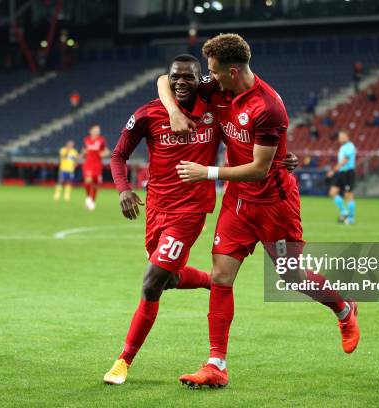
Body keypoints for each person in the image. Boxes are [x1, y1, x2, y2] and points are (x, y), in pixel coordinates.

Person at [158, 33, 360, 388]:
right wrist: (174, 111)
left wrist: (207, 173)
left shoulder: (268, 107)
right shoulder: (218, 88)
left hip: (274, 204)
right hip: (238, 202)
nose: (210, 78)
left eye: (215, 72)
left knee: (291, 278)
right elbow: (164, 81)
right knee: (221, 276)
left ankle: (344, 309)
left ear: (233, 71)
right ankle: (216, 365)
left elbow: (259, 169)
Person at [103, 54, 300, 386]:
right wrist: (123, 189)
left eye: (190, 78)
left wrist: (281, 158)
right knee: (166, 278)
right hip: (156, 209)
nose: (181, 82)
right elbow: (118, 153)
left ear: (202, 82)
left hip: (190, 212)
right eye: (175, 77)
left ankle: (123, 360)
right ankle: (214, 281)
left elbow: (247, 138)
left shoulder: (213, 109)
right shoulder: (150, 113)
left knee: (152, 282)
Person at [327, 130, 356, 224]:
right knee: (332, 192)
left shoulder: (350, 146)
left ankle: (351, 219)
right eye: (340, 136)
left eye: (342, 136)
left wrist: (333, 170)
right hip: (341, 173)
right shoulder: (343, 147)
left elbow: (344, 160)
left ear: (347, 137)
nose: (340, 138)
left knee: (348, 195)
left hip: (348, 173)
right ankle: (344, 212)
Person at [81, 125, 110, 210]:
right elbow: (85, 151)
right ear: (91, 131)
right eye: (96, 130)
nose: (97, 131)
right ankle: (88, 198)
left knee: (96, 184)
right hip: (88, 163)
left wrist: (104, 154)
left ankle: (93, 201)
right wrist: (82, 154)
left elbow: (106, 151)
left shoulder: (101, 140)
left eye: (98, 130)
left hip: (97, 164)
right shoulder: (86, 140)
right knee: (88, 180)